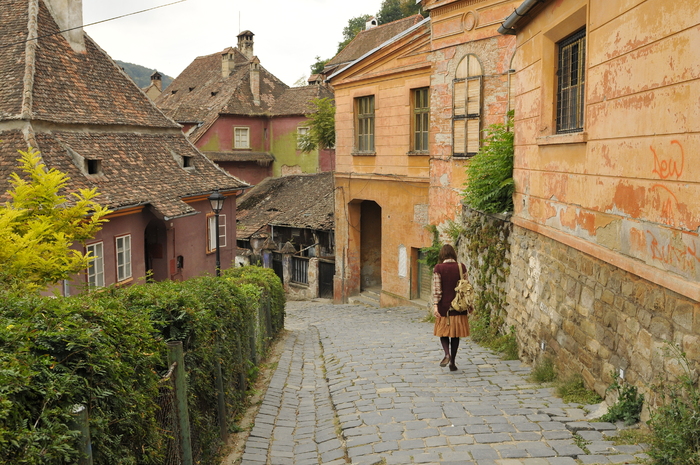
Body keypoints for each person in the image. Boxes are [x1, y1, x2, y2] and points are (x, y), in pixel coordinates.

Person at [432, 244, 470, 371]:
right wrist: (470, 305)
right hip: (459, 308)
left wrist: (435, 306)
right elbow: (466, 289)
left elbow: (437, 290)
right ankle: (452, 362)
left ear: (442, 255)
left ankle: (447, 354)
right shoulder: (461, 267)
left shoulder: (438, 268)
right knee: (455, 336)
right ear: (453, 254)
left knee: (443, 333)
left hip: (444, 307)